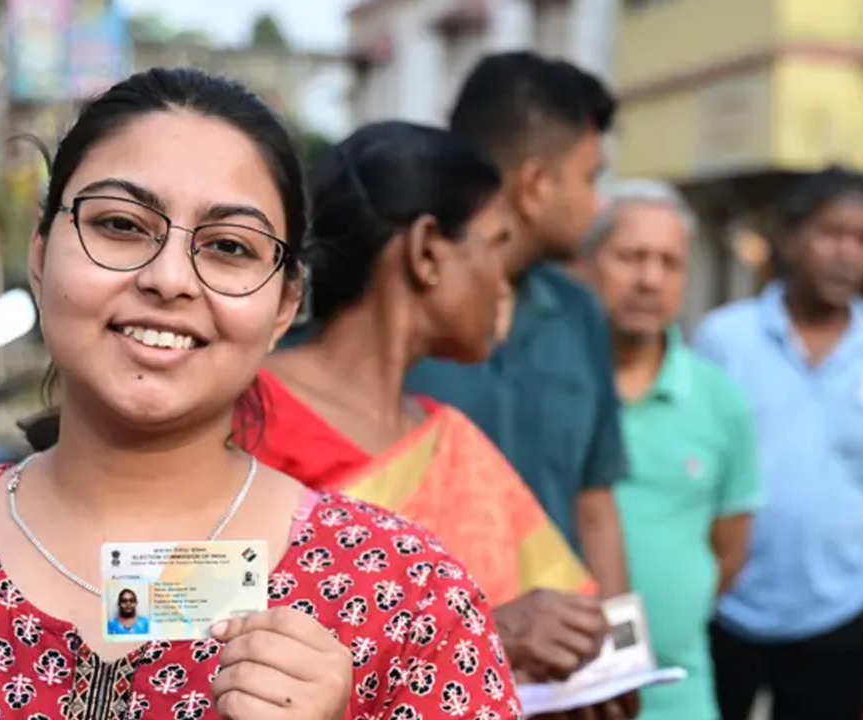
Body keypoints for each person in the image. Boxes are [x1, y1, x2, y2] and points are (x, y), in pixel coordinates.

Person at [0, 68, 518, 720]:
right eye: (121, 225)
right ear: (40, 253)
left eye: (228, 247)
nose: (168, 278)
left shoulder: (405, 595)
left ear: (285, 304)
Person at [254, 121, 612, 688]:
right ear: (425, 252)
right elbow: (199, 642)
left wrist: (575, 676)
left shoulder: (447, 437)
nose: (502, 281)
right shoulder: (248, 416)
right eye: (494, 244)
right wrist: (489, 632)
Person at [694, 166, 863, 720]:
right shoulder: (726, 340)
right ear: (790, 238)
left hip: (838, 616)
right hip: (726, 608)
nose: (848, 253)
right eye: (831, 233)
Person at [404, 50, 631, 607]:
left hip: (559, 678)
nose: (599, 202)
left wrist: (621, 659)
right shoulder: (396, 307)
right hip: (418, 670)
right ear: (534, 185)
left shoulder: (579, 313)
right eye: (589, 177)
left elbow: (594, 503)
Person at [579, 180, 761, 720]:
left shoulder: (719, 399)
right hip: (563, 697)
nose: (649, 279)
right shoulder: (552, 389)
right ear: (589, 262)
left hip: (682, 695)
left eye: (669, 262)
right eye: (631, 257)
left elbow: (728, 554)